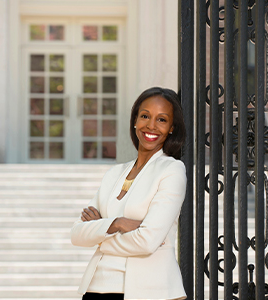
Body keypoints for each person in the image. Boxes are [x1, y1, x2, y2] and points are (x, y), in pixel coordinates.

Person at [71, 87, 187, 300]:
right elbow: (77, 234)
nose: (151, 125)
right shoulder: (114, 173)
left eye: (161, 119)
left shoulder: (171, 170)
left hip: (149, 292)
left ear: (172, 127)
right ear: (135, 120)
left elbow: (147, 242)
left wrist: (101, 236)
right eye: (145, 116)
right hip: (98, 287)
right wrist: (116, 223)